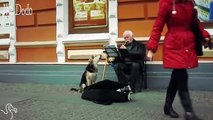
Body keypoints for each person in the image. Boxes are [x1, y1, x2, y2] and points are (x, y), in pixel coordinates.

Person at [146, 0, 212, 120]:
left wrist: (205, 36)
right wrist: (151, 48)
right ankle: (189, 112)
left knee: (176, 76)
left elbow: (195, 23)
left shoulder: (190, 3)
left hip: (188, 45)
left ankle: (167, 106)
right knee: (182, 76)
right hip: (174, 45)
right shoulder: (166, 3)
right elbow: (158, 25)